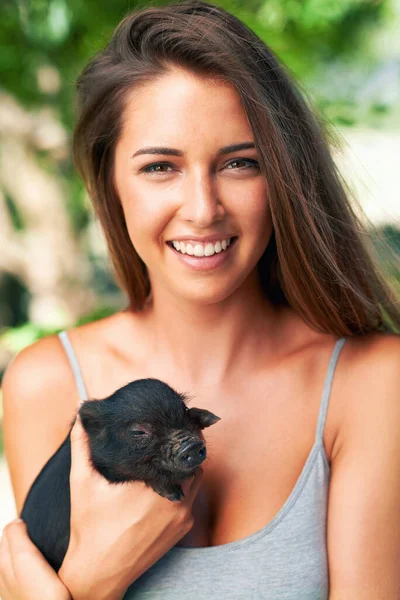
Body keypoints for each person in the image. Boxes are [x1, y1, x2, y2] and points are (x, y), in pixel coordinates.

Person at [1, 0, 400, 598]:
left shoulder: (371, 383)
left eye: (240, 163)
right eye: (160, 166)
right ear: (108, 181)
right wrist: (96, 578)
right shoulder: (48, 384)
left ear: (286, 177)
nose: (203, 208)